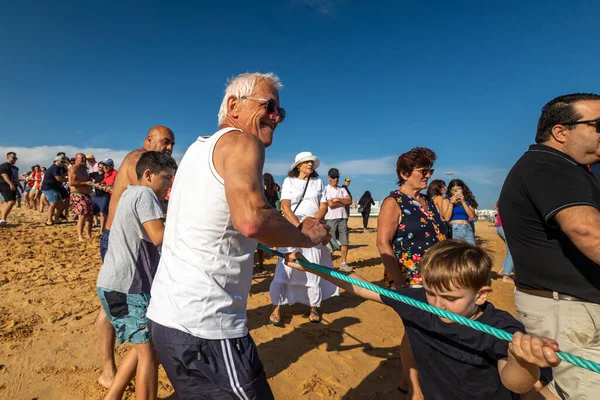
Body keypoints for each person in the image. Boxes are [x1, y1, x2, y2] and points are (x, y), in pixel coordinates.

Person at [146, 72, 330, 399]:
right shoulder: (244, 142)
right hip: (207, 327)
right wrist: (306, 237)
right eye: (270, 106)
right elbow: (252, 221)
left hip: (166, 318)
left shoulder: (195, 151)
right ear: (234, 105)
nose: (276, 116)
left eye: (281, 112)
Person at [284, 240, 560, 399]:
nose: (438, 306)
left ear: (481, 295)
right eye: (431, 293)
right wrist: (313, 267)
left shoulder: (500, 327)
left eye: (451, 299)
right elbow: (362, 287)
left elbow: (517, 383)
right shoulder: (417, 302)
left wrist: (521, 359)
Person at [499, 93, 600, 398]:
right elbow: (587, 230)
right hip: (570, 310)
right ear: (560, 131)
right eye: (598, 124)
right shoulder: (550, 166)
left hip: (571, 308)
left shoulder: (561, 167)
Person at [94, 125, 175, 389]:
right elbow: (155, 227)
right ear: (148, 140)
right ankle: (107, 370)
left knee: (130, 316)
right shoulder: (139, 162)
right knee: (120, 302)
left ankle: (113, 383)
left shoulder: (142, 185)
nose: (169, 147)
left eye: (172, 144)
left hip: (128, 240)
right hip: (122, 240)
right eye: (165, 142)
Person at [377, 147, 447, 395]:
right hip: (410, 279)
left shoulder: (427, 202)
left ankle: (408, 381)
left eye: (430, 170)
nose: (428, 175)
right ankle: (415, 388)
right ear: (405, 173)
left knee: (421, 329)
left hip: (436, 277)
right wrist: (399, 281)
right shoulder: (393, 202)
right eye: (423, 170)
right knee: (417, 330)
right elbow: (383, 242)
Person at [268, 152, 339, 326]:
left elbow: (323, 207)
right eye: (306, 162)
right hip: (292, 225)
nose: (310, 164)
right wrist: (299, 227)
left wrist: (312, 224)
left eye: (312, 162)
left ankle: (314, 307)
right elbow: (285, 206)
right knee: (284, 267)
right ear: (298, 166)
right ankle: (276, 308)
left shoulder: (318, 183)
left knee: (312, 265)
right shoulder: (289, 181)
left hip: (312, 226)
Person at [324, 167, 353, 272]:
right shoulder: (325, 189)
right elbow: (330, 204)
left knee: (344, 241)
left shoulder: (342, 189)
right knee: (329, 242)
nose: (335, 179)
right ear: (329, 177)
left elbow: (349, 201)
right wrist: (342, 201)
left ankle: (343, 262)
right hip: (330, 218)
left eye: (337, 177)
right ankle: (328, 264)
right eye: (333, 177)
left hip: (343, 217)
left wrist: (337, 200)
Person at [255, 172, 280, 270]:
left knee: (259, 243)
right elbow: (276, 201)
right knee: (276, 240)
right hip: (273, 215)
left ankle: (261, 264)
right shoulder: (273, 190)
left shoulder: (261, 190)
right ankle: (280, 260)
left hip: (263, 216)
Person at [68, 153, 94, 241]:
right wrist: (85, 183)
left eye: (84, 158)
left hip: (86, 194)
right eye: (81, 158)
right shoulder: (74, 169)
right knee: (82, 215)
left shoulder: (84, 170)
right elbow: (71, 182)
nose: (83, 159)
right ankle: (80, 236)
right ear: (76, 159)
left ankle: (89, 235)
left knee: (90, 215)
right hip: (77, 193)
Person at [447, 179, 478, 244]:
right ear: (450, 190)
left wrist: (463, 202)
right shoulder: (447, 201)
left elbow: (472, 216)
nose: (457, 192)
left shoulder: (468, 201)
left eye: (459, 189)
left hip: (467, 227)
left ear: (463, 189)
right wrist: (451, 203)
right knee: (456, 251)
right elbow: (447, 218)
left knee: (471, 250)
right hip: (454, 228)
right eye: (454, 190)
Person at [41, 156, 68, 226]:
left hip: (56, 188)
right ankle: (49, 220)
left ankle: (56, 219)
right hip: (49, 188)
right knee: (53, 203)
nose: (63, 163)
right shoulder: (54, 168)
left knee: (60, 204)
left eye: (64, 162)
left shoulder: (61, 168)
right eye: (62, 162)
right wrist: (69, 180)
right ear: (56, 161)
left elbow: (67, 173)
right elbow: (58, 178)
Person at [0, 152, 22, 226]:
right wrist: (10, 183)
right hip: (4, 185)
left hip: (13, 185)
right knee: (11, 201)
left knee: (9, 202)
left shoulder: (15, 168)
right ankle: (2, 220)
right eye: (13, 157)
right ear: (8, 157)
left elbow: (16, 178)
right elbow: (4, 175)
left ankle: (3, 219)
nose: (14, 159)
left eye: (15, 158)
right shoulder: (4, 165)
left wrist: (20, 186)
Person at [494, 203, 514, 284]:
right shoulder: (509, 205)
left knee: (510, 252)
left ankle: (502, 271)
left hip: (500, 228)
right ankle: (506, 276)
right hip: (505, 228)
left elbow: (497, 205)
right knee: (512, 253)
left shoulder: (503, 204)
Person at [90, 162, 110, 233]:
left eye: (102, 167)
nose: (101, 168)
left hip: (104, 195)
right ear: (97, 167)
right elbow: (86, 176)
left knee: (102, 213)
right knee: (92, 212)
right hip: (95, 195)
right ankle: (94, 224)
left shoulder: (106, 175)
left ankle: (102, 230)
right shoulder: (95, 174)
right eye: (99, 167)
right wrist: (92, 184)